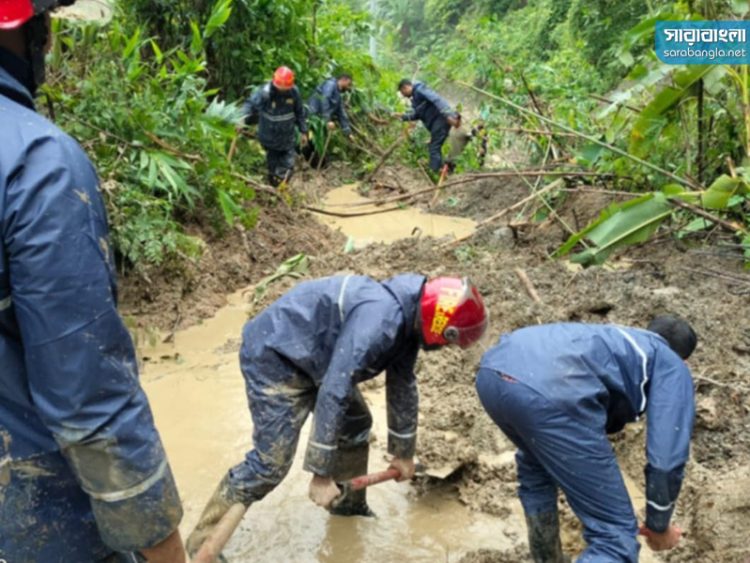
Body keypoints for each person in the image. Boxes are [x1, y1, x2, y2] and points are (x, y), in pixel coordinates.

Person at [0, 1, 185, 561]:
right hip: (37, 514)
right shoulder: (36, 161)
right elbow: (88, 397)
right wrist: (164, 550)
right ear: (32, 32)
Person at [186, 274, 488, 555]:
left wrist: (403, 453)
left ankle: (347, 507)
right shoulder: (380, 321)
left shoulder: (407, 323)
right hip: (276, 356)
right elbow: (335, 388)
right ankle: (201, 543)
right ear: (439, 325)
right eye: (451, 340)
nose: (448, 347)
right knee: (270, 464)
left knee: (356, 423)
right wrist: (320, 474)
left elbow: (403, 384)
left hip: (316, 359)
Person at [475, 316, 698, 563]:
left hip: (493, 373)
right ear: (684, 360)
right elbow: (666, 458)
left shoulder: (615, 336)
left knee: (536, 470)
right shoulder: (671, 363)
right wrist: (659, 525)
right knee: (615, 536)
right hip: (555, 393)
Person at [241, 66, 308, 187]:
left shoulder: (294, 92)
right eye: (280, 88)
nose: (282, 91)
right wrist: (241, 119)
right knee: (273, 169)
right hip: (269, 137)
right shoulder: (265, 93)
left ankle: (282, 188)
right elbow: (250, 104)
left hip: (287, 137)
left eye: (285, 88)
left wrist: (304, 131)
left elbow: (299, 112)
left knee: (288, 166)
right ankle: (274, 190)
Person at [396, 78, 461, 173]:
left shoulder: (420, 89)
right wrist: (403, 117)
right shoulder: (415, 99)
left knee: (434, 147)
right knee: (434, 146)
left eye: (403, 93)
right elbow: (417, 115)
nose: (404, 96)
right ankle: (446, 170)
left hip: (440, 119)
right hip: (436, 123)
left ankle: (435, 172)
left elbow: (436, 99)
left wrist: (449, 114)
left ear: (406, 87)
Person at [303, 73, 354, 166]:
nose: (348, 87)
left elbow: (341, 113)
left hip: (320, 120)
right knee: (310, 141)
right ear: (344, 80)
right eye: (349, 84)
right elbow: (324, 99)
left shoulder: (338, 95)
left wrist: (348, 132)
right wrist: (327, 120)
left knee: (318, 142)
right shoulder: (330, 84)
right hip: (313, 117)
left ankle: (316, 164)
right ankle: (306, 163)